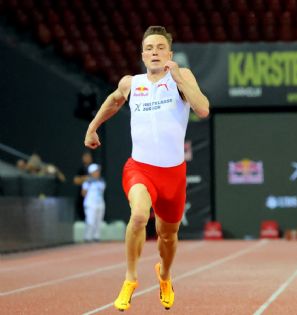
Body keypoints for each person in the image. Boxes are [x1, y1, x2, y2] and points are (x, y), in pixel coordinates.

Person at [84, 26, 209, 311]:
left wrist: (179, 77)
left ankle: (164, 276)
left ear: (169, 54)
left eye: (160, 47)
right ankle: (130, 279)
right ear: (142, 55)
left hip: (173, 175)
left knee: (168, 236)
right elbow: (114, 100)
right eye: (149, 48)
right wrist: (92, 128)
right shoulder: (132, 83)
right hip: (140, 168)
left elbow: (203, 109)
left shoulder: (181, 78)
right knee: (139, 215)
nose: (154, 52)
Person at [81, 163, 106, 242]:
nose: (98, 172)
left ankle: (96, 237)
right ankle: (87, 237)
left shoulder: (102, 181)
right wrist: (89, 200)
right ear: (91, 172)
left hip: (100, 204)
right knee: (90, 221)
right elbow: (83, 193)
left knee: (98, 221)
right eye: (96, 171)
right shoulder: (88, 182)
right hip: (90, 204)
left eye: (98, 171)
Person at [73, 151, 94, 221]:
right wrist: (85, 178)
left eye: (89, 157)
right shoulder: (81, 169)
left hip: (93, 196)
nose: (87, 158)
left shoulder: (94, 168)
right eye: (86, 157)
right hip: (82, 197)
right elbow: (76, 180)